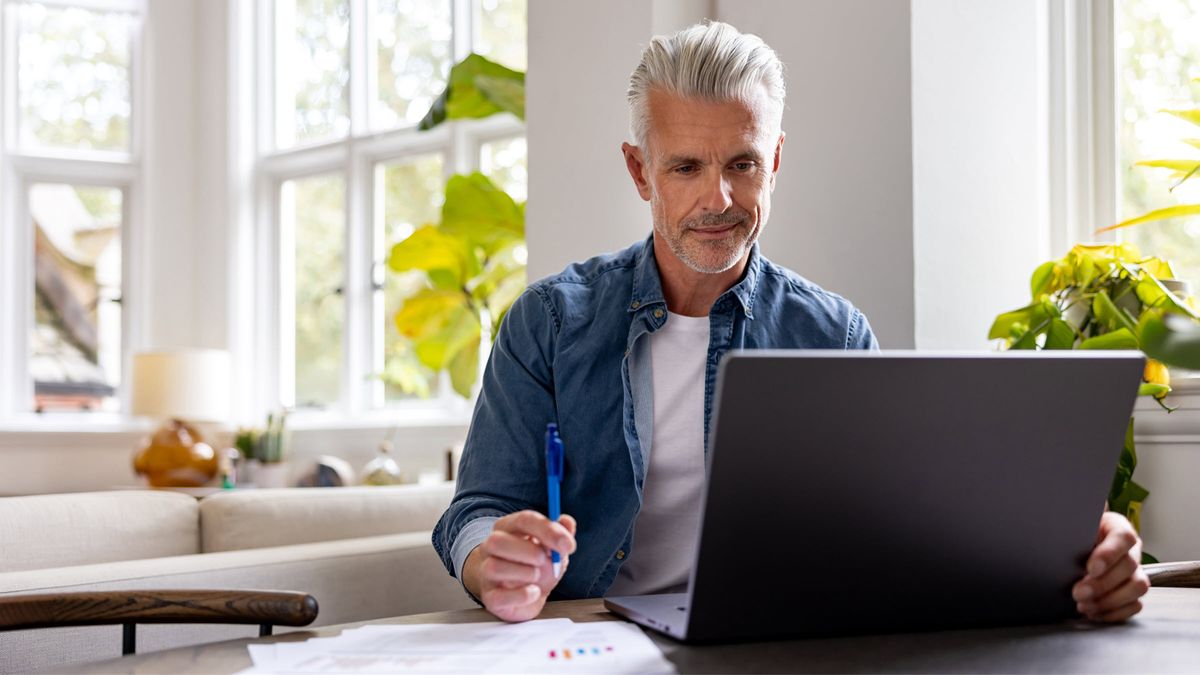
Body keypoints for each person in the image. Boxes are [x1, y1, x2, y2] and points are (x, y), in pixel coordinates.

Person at [432, 21, 1149, 625]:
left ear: (774, 161)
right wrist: (488, 560)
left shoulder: (834, 335)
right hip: (588, 637)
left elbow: (899, 527)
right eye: (685, 167)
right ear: (640, 171)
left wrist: (1070, 547)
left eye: (741, 163)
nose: (718, 198)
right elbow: (475, 509)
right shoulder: (550, 322)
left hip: (774, 648)